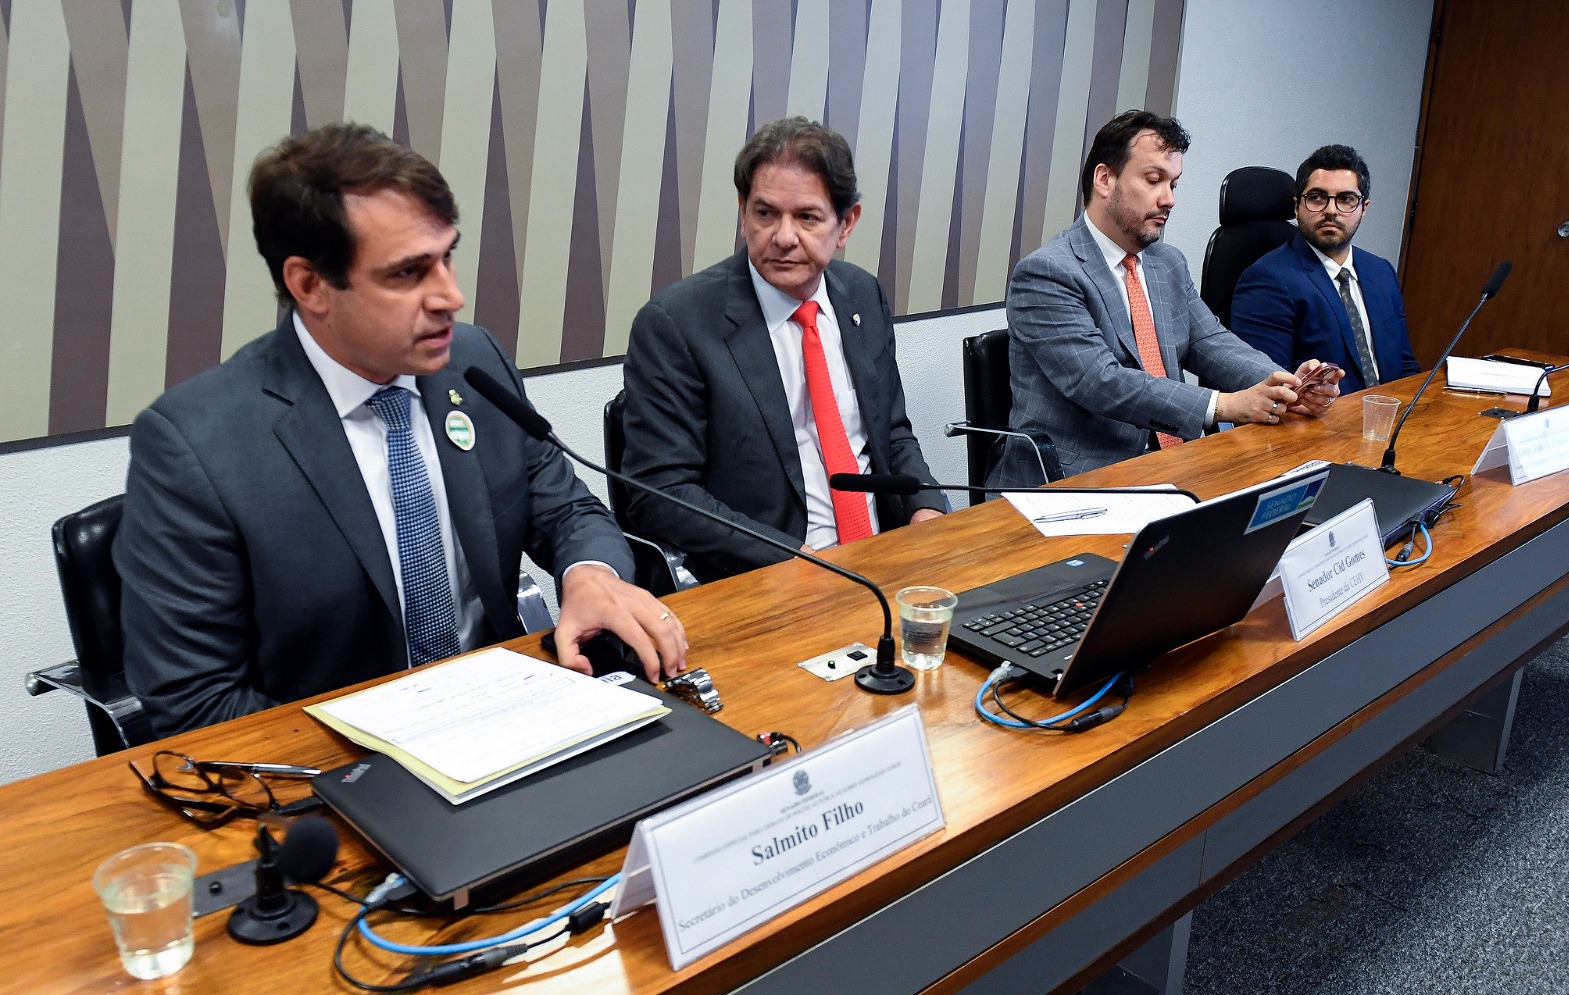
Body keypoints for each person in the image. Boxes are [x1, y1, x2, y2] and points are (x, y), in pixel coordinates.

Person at [115, 123, 687, 737]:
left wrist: (589, 575)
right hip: (337, 760)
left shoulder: (473, 362)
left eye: (447, 257)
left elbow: (567, 511)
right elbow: (195, 704)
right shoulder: (196, 444)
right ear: (310, 285)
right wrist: (389, 754)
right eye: (408, 273)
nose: (451, 296)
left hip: (508, 719)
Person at [620, 116, 945, 581]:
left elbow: (891, 433)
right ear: (743, 212)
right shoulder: (677, 324)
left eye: (807, 217)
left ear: (846, 223)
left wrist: (926, 507)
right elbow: (660, 492)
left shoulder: (862, 295)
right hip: (768, 576)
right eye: (765, 214)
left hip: (882, 560)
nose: (784, 237)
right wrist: (793, 557)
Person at [989, 111, 1342, 488]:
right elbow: (1100, 382)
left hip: (1173, 464)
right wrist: (1225, 405)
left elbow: (1210, 341)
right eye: (1153, 180)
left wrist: (1286, 385)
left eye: (1174, 184)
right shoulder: (1047, 272)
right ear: (1105, 179)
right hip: (1074, 478)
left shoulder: (1166, 262)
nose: (1169, 199)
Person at [1232, 144, 1419, 392]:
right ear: (1297, 206)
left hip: (1389, 411)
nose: (1331, 211)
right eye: (1317, 198)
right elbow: (1270, 388)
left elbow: (1405, 365)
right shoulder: (1267, 280)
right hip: (1320, 415)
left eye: (1346, 199)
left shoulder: (1382, 272)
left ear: (1364, 208)